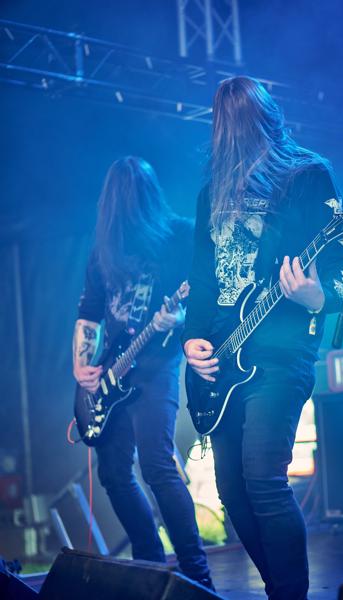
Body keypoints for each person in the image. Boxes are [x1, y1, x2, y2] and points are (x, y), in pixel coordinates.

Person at [182, 76, 343, 600]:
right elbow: (202, 277)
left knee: (263, 477)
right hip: (224, 360)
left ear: (262, 119)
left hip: (281, 354)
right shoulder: (212, 192)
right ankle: (281, 588)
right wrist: (192, 339)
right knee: (233, 492)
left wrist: (315, 296)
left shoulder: (306, 175)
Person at [72, 156, 213, 589]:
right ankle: (149, 566)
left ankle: (196, 574)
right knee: (113, 474)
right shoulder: (103, 250)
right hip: (112, 371)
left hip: (157, 363)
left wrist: (180, 317)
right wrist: (81, 365)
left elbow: (205, 292)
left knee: (157, 465)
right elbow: (89, 313)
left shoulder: (179, 236)